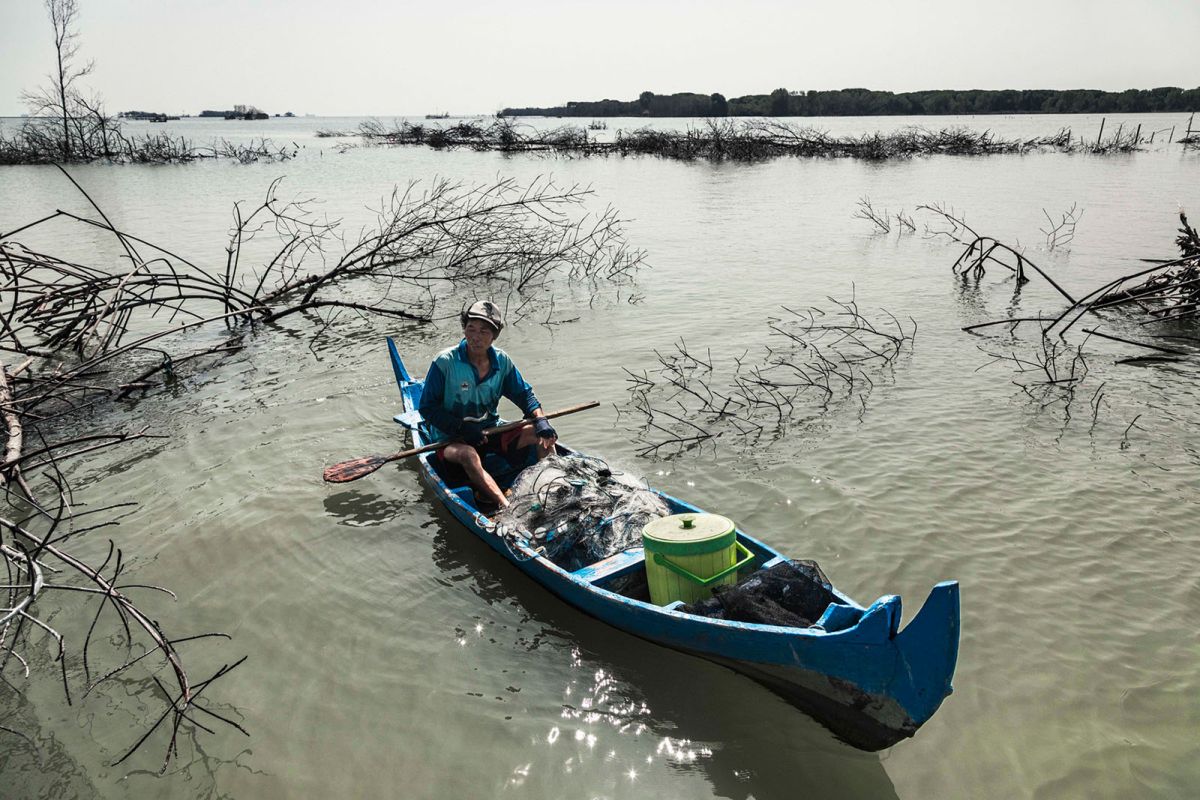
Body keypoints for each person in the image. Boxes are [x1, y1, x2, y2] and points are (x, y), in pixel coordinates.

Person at [418, 300, 557, 510]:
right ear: (464, 329)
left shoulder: (502, 362)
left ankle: (551, 489)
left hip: (489, 430)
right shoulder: (445, 362)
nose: (475, 336)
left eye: (484, 331)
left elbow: (525, 396)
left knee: (541, 435)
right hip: (449, 439)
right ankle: (506, 507)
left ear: (495, 335)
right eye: (470, 328)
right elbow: (427, 408)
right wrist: (460, 428)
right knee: (468, 455)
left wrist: (541, 420)